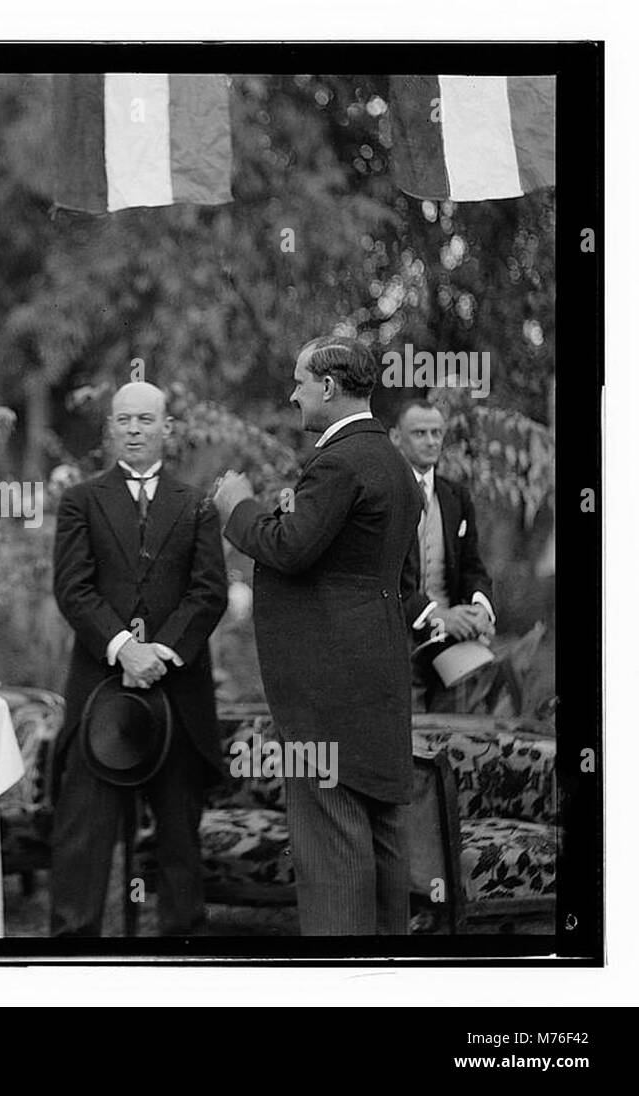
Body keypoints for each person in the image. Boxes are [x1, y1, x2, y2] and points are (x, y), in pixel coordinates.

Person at [212, 336, 421, 936]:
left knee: (331, 855)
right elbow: (399, 581)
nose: (293, 393)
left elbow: (291, 548)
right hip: (379, 681)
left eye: (299, 381)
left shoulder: (338, 461)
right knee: (380, 845)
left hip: (326, 694)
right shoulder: (397, 466)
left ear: (328, 387)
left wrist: (239, 507)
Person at [50, 381, 229, 936]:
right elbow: (73, 589)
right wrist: (124, 648)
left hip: (178, 695)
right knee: (83, 839)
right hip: (100, 694)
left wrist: (161, 652)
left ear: (166, 429)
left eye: (145, 420)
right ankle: (72, 958)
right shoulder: (80, 500)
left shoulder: (197, 503)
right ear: (110, 428)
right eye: (123, 420)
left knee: (179, 842)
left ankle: (183, 961)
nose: (134, 430)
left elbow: (210, 592)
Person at [391, 400, 497, 709]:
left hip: (450, 645)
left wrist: (479, 608)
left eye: (437, 433)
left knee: (453, 738)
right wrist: (436, 616)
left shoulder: (456, 496)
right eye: (420, 433)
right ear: (396, 437)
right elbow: (381, 577)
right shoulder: (384, 494)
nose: (431, 441)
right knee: (409, 741)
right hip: (398, 642)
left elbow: (472, 566)